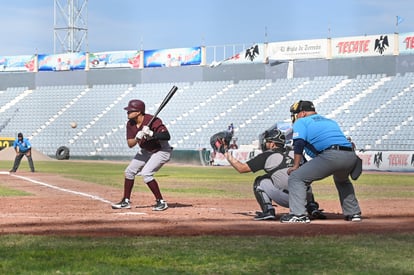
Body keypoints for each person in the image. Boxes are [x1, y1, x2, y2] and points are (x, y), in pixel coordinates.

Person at [281, 100, 362, 223]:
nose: (295, 117)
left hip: (332, 155)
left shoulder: (301, 121)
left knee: (296, 177)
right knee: (342, 180)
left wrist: (296, 165)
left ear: (302, 113)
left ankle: (298, 215)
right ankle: (353, 213)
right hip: (350, 155)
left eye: (295, 114)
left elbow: (299, 143)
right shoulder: (330, 121)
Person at [224, 128, 325, 221]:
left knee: (260, 181)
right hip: (303, 199)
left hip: (287, 199)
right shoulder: (295, 152)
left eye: (267, 142)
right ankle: (312, 207)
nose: (265, 144)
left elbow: (241, 168)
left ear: (272, 144)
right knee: (302, 177)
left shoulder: (266, 155)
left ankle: (268, 211)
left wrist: (225, 153)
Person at [111, 99, 172, 211]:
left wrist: (152, 134)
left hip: (161, 150)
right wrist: (137, 137)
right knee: (129, 172)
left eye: (130, 110)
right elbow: (130, 144)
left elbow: (167, 136)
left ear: (138, 112)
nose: (127, 112)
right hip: (146, 150)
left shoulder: (153, 120)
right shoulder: (130, 124)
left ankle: (161, 202)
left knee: (146, 174)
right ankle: (125, 201)